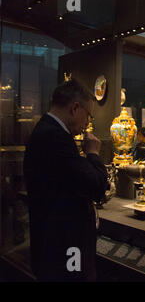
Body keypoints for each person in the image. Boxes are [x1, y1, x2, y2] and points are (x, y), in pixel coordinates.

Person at [23, 79, 108, 281]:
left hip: (52, 245)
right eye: (88, 115)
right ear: (75, 108)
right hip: (64, 250)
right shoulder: (55, 137)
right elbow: (97, 187)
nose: (88, 123)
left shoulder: (47, 130)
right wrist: (94, 154)